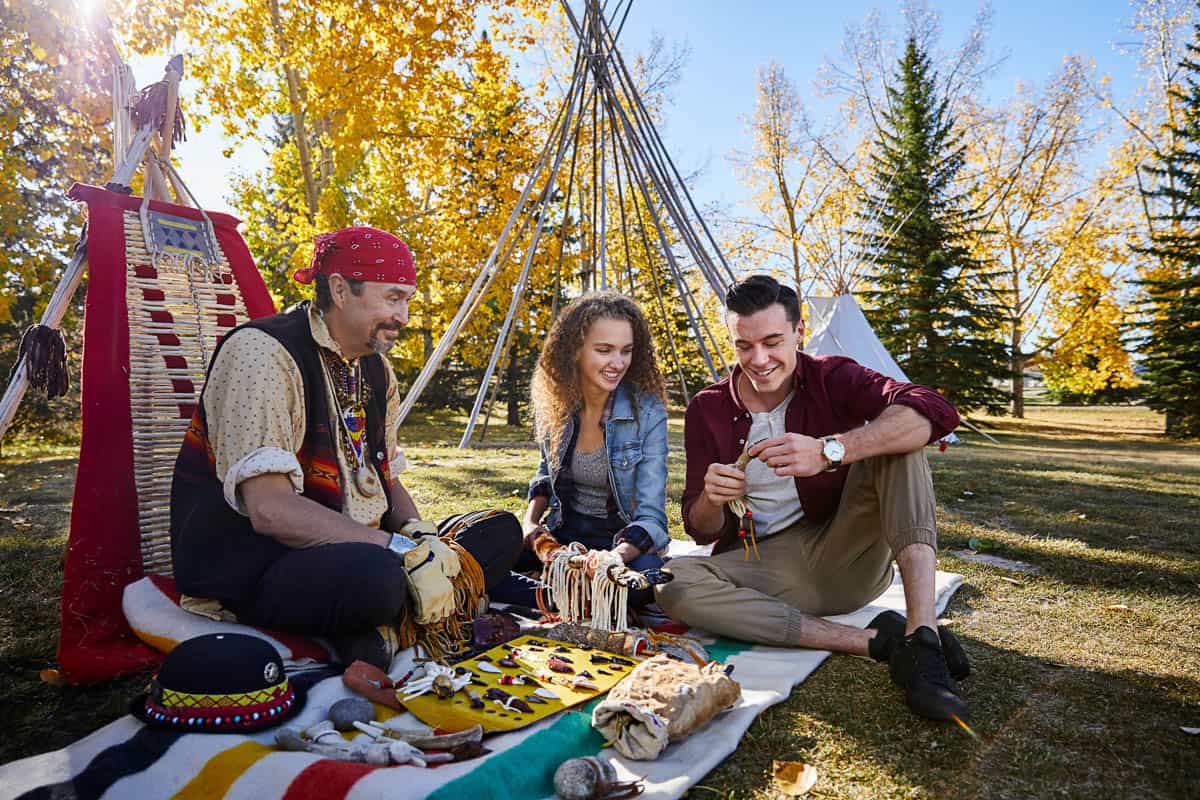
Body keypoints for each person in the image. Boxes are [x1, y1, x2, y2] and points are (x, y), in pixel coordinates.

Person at [169, 226, 522, 669]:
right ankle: (403, 619)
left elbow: (386, 480)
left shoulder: (376, 370)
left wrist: (423, 538)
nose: (405, 316)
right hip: (264, 565)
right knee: (376, 580)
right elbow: (270, 510)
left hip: (365, 545)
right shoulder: (262, 352)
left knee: (499, 530)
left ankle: (385, 628)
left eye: (407, 299)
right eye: (393, 298)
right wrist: (395, 550)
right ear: (340, 289)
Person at [655, 275, 971, 722]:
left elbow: (934, 409)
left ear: (799, 332)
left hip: (847, 552)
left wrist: (830, 450)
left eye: (772, 341)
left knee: (900, 439)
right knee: (669, 580)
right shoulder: (707, 408)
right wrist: (712, 497)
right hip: (768, 568)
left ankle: (924, 637)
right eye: (744, 346)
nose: (759, 360)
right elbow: (698, 527)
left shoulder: (832, 377)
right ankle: (879, 643)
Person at [496, 292, 670, 609]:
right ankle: (580, 594)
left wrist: (611, 560)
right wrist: (532, 526)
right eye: (604, 350)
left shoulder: (647, 412)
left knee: (645, 581)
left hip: (619, 541)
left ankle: (555, 591)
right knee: (487, 558)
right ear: (575, 350)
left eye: (626, 351)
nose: (618, 363)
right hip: (564, 532)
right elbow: (543, 476)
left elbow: (653, 517)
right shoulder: (559, 402)